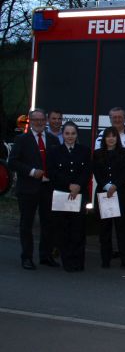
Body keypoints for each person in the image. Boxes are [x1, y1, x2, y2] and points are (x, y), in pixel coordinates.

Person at [8, 109, 61, 270]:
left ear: (46, 121)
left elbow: (57, 162)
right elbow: (13, 162)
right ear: (30, 121)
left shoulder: (52, 140)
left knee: (48, 224)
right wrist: (31, 172)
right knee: (27, 224)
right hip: (28, 188)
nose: (39, 122)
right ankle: (27, 257)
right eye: (35, 120)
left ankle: (45, 256)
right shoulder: (22, 139)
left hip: (48, 188)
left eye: (41, 120)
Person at [47, 122, 90, 272]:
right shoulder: (54, 151)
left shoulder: (84, 151)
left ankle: (78, 261)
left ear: (77, 135)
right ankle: (67, 261)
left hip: (79, 194)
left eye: (73, 133)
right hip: (62, 194)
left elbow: (86, 171)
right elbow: (52, 172)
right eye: (67, 133)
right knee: (63, 229)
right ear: (63, 135)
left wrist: (78, 185)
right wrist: (69, 185)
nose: (70, 136)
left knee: (78, 229)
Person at [93, 126, 125, 269]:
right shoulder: (97, 154)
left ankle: (124, 259)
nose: (111, 139)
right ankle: (105, 259)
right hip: (104, 194)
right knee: (105, 229)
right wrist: (106, 186)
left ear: (117, 138)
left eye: (113, 136)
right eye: (108, 136)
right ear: (104, 139)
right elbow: (97, 173)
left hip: (120, 194)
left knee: (122, 228)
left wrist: (115, 185)